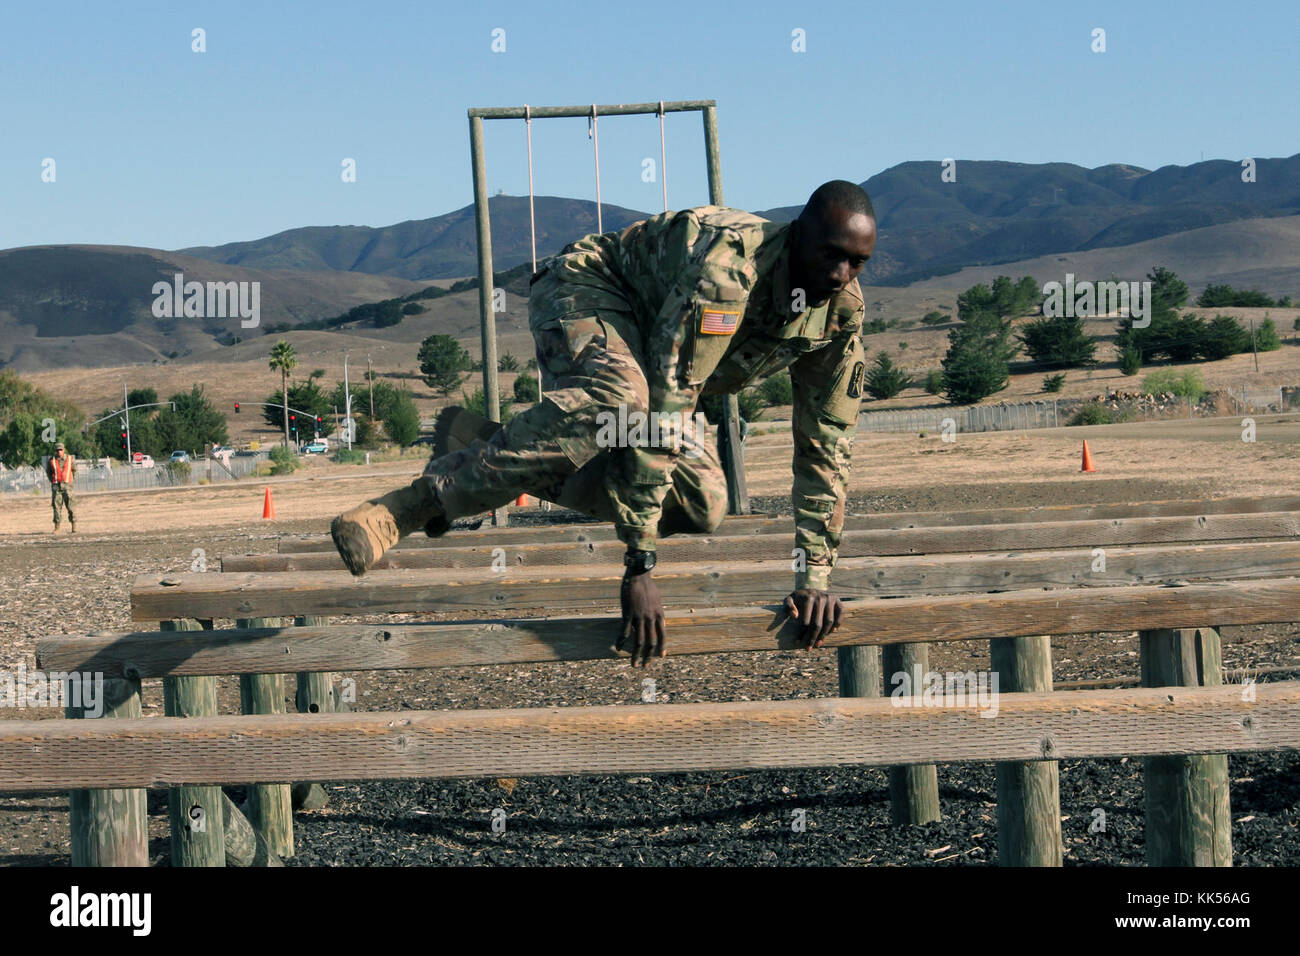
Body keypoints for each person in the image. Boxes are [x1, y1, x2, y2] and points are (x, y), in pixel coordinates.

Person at [331, 180, 877, 663]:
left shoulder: (842, 313)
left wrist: (814, 580)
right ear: (798, 231)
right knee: (623, 402)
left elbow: (825, 449)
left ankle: (482, 446)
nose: (839, 273)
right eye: (829, 254)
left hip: (653, 361)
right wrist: (640, 564)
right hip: (589, 289)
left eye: (856, 262)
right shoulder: (728, 273)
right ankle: (410, 506)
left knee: (704, 503)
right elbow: (664, 408)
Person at [46, 442, 76, 533]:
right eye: (57, 450)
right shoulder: (52, 460)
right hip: (57, 487)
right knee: (56, 507)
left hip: (67, 486)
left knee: (71, 506)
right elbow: (48, 472)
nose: (59, 452)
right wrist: (53, 481)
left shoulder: (70, 459)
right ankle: (57, 527)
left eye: (61, 450)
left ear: (64, 450)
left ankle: (74, 526)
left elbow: (74, 470)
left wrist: (70, 481)